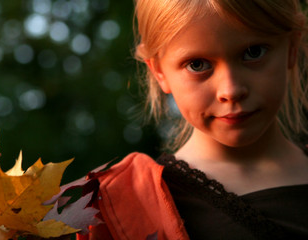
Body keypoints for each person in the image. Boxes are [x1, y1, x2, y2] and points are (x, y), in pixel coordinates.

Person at [77, 0, 308, 239]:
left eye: (253, 52)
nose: (230, 90)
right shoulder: (126, 208)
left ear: (292, 45)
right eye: (197, 65)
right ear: (159, 72)